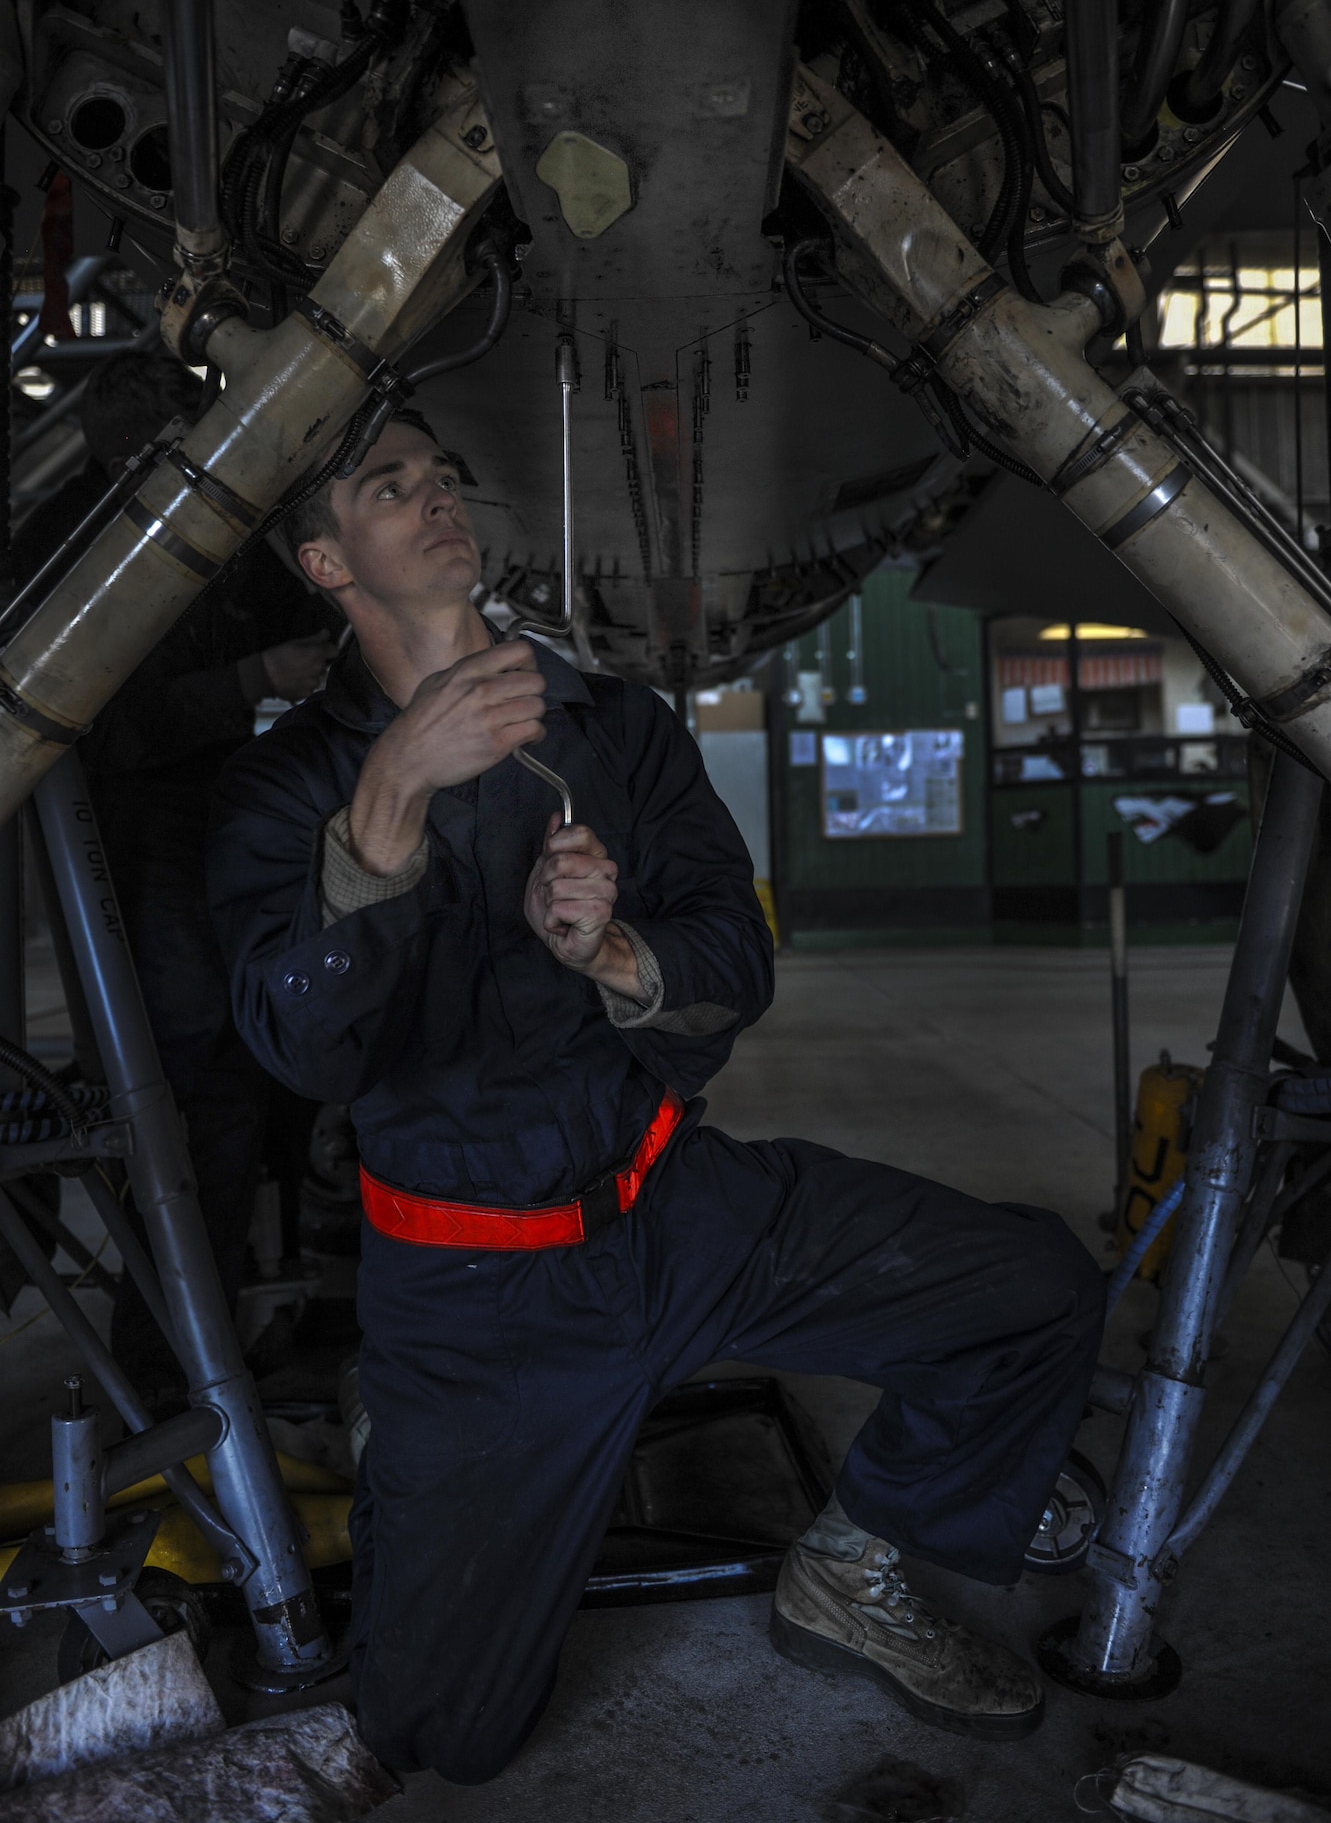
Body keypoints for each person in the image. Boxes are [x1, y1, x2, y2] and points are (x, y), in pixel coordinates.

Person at [207, 409, 1105, 1782]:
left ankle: (857, 1561)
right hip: (468, 1297)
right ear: (327, 565)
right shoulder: (289, 791)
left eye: (441, 476)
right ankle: (403, 1424)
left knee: (1032, 1284)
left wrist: (615, 952)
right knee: (444, 1735)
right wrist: (388, 800)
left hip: (671, 1213)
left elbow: (734, 959)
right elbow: (302, 1052)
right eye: (390, 490)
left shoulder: (612, 728)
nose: (436, 499)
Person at [12, 347, 339, 1400]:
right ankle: (173, 1369)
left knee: (273, 1068)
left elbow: (295, 615)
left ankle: (266, 1308)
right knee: (190, 1088)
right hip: (140, 844)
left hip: (236, 820)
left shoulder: (210, 519)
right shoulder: (73, 541)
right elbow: (85, 727)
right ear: (135, 444)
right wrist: (253, 679)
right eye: (178, 435)